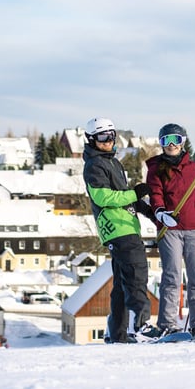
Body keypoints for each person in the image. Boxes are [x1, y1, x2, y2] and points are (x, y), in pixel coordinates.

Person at [82, 117, 160, 343]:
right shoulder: (95, 165)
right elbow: (103, 197)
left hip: (126, 226)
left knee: (122, 284)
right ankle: (141, 326)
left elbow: (124, 195)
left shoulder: (113, 163)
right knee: (136, 275)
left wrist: (149, 212)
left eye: (112, 136)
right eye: (103, 137)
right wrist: (135, 194)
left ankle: (117, 332)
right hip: (117, 228)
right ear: (91, 139)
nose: (108, 141)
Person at [145, 122, 195, 339]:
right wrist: (160, 213)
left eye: (175, 140)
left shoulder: (194, 169)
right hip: (169, 230)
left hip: (193, 230)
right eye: (166, 141)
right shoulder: (155, 169)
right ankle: (168, 325)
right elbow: (155, 194)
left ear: (183, 143)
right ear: (161, 144)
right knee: (171, 277)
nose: (171, 145)